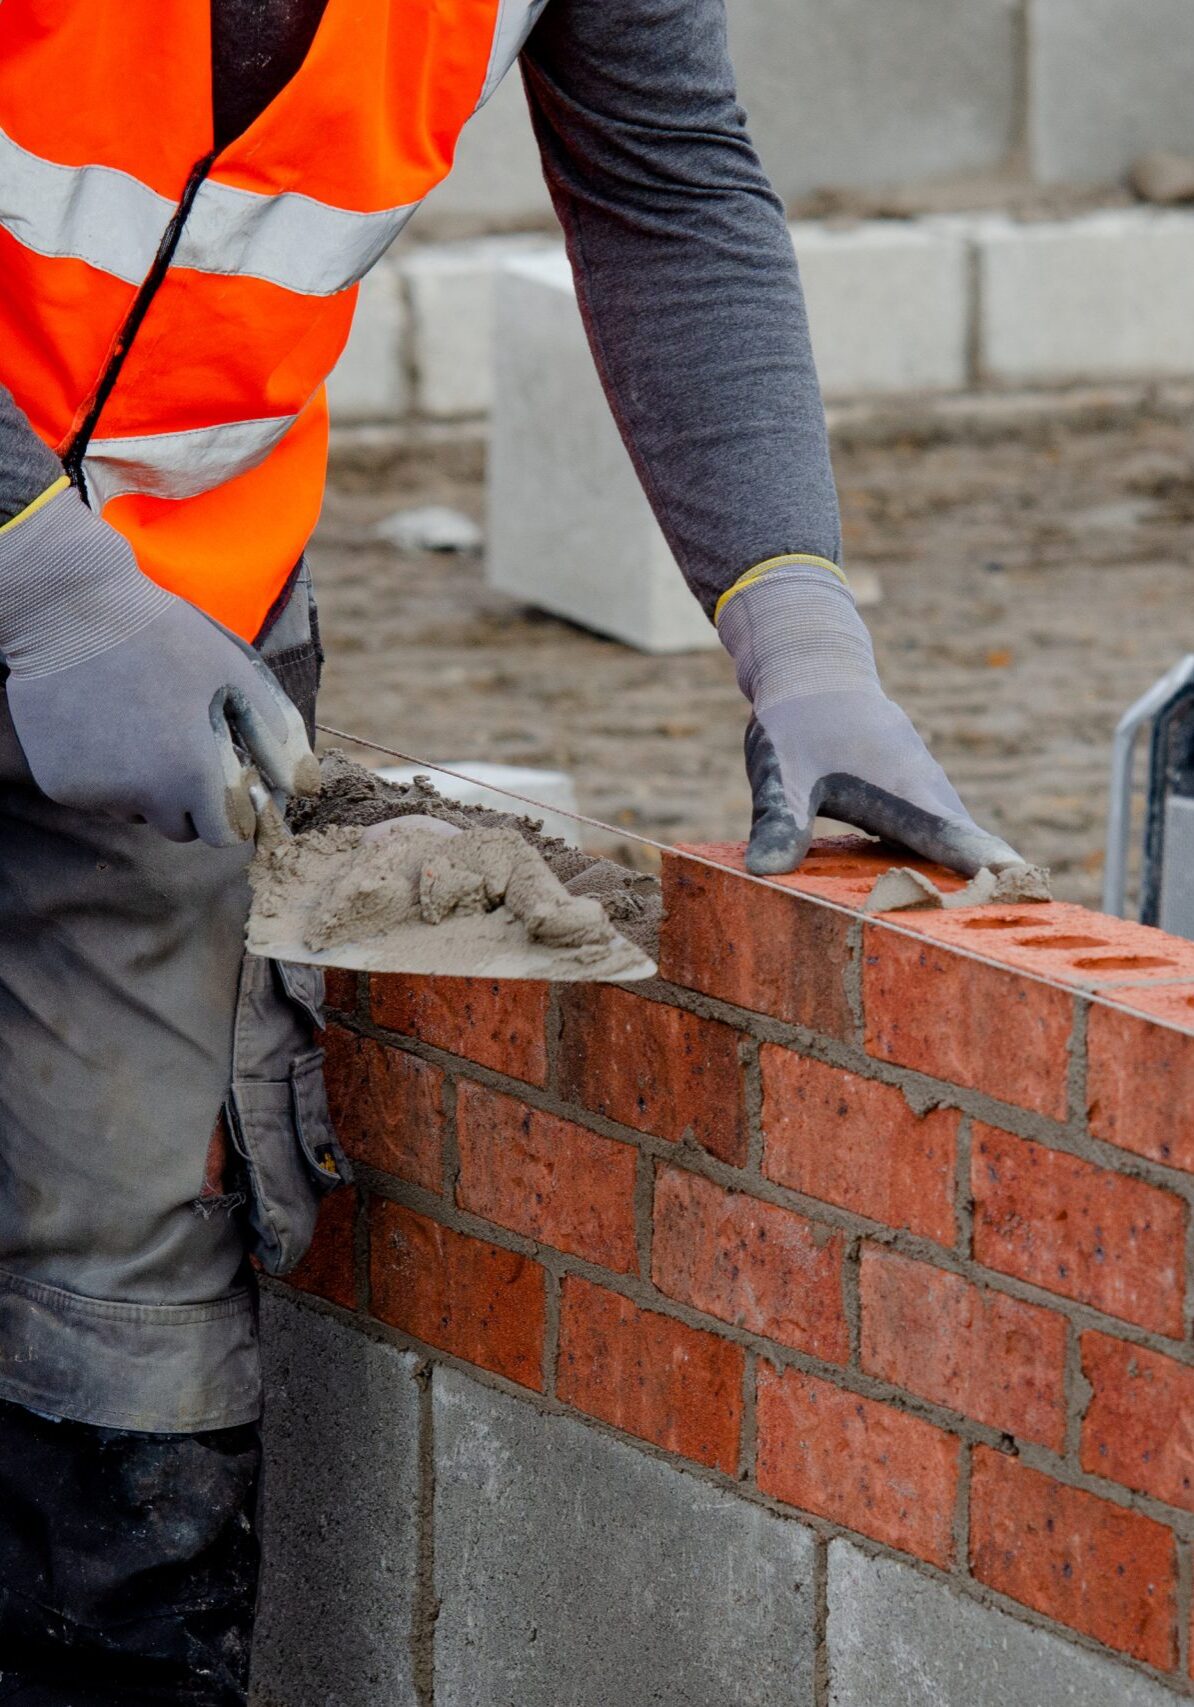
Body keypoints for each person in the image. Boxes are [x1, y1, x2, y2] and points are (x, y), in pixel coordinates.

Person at [0, 1, 1019, 1699]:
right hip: (79, 589)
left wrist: (799, 628)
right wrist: (39, 577)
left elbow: (667, 185)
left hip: (186, 640)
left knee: (108, 1300)